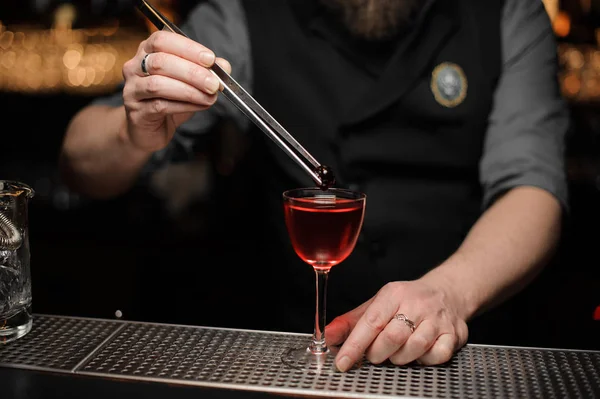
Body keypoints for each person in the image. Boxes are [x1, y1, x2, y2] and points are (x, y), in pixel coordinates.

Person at [59, 0, 568, 372]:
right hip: (292, 349)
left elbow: (533, 187)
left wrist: (452, 292)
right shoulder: (244, 15)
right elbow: (81, 164)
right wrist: (132, 130)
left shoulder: (508, 14)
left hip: (462, 354)